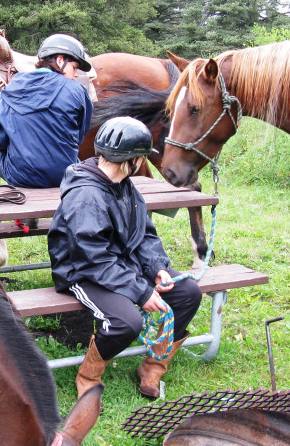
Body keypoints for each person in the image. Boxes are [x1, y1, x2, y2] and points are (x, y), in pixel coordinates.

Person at [47, 117, 202, 399]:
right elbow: (92, 257)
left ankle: (153, 366)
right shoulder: (86, 196)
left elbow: (143, 234)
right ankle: (88, 375)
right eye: (140, 158)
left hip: (117, 264)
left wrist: (156, 268)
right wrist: (140, 291)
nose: (141, 163)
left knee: (187, 292)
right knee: (127, 321)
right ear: (129, 161)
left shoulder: (123, 185)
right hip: (82, 271)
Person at [0, 33, 94, 189]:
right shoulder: (78, 91)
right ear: (60, 60)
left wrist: (19, 141)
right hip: (64, 175)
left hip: (21, 176)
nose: (76, 74)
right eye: (74, 67)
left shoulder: (12, 86)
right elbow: (79, 137)